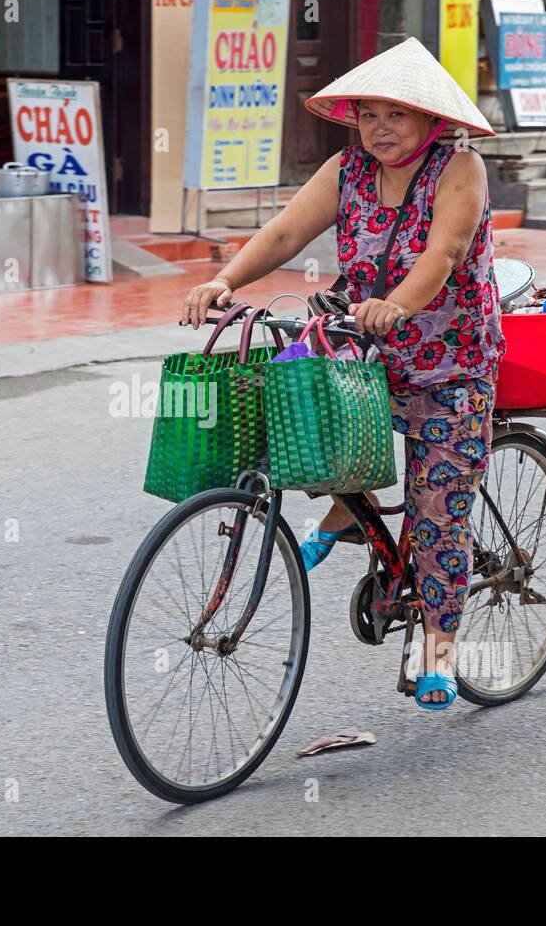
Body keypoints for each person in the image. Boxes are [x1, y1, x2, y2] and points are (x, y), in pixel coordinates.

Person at [179, 38, 506, 710]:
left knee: (439, 516)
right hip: (360, 339)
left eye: (398, 114)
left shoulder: (460, 170)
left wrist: (398, 305)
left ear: (432, 120)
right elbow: (282, 236)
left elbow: (442, 253)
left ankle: (438, 653)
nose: (381, 128)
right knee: (291, 408)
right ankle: (342, 512)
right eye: (369, 115)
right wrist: (223, 279)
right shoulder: (347, 169)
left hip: (451, 363)